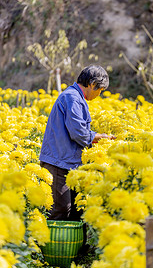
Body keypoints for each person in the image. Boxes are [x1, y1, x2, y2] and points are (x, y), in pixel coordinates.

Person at [39, 65, 115, 223]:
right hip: (58, 162)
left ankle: (71, 245)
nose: (99, 94)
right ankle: (49, 245)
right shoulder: (72, 97)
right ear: (92, 84)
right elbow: (78, 132)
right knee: (60, 209)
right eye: (100, 90)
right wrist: (99, 137)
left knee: (74, 210)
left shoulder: (75, 97)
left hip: (66, 162)